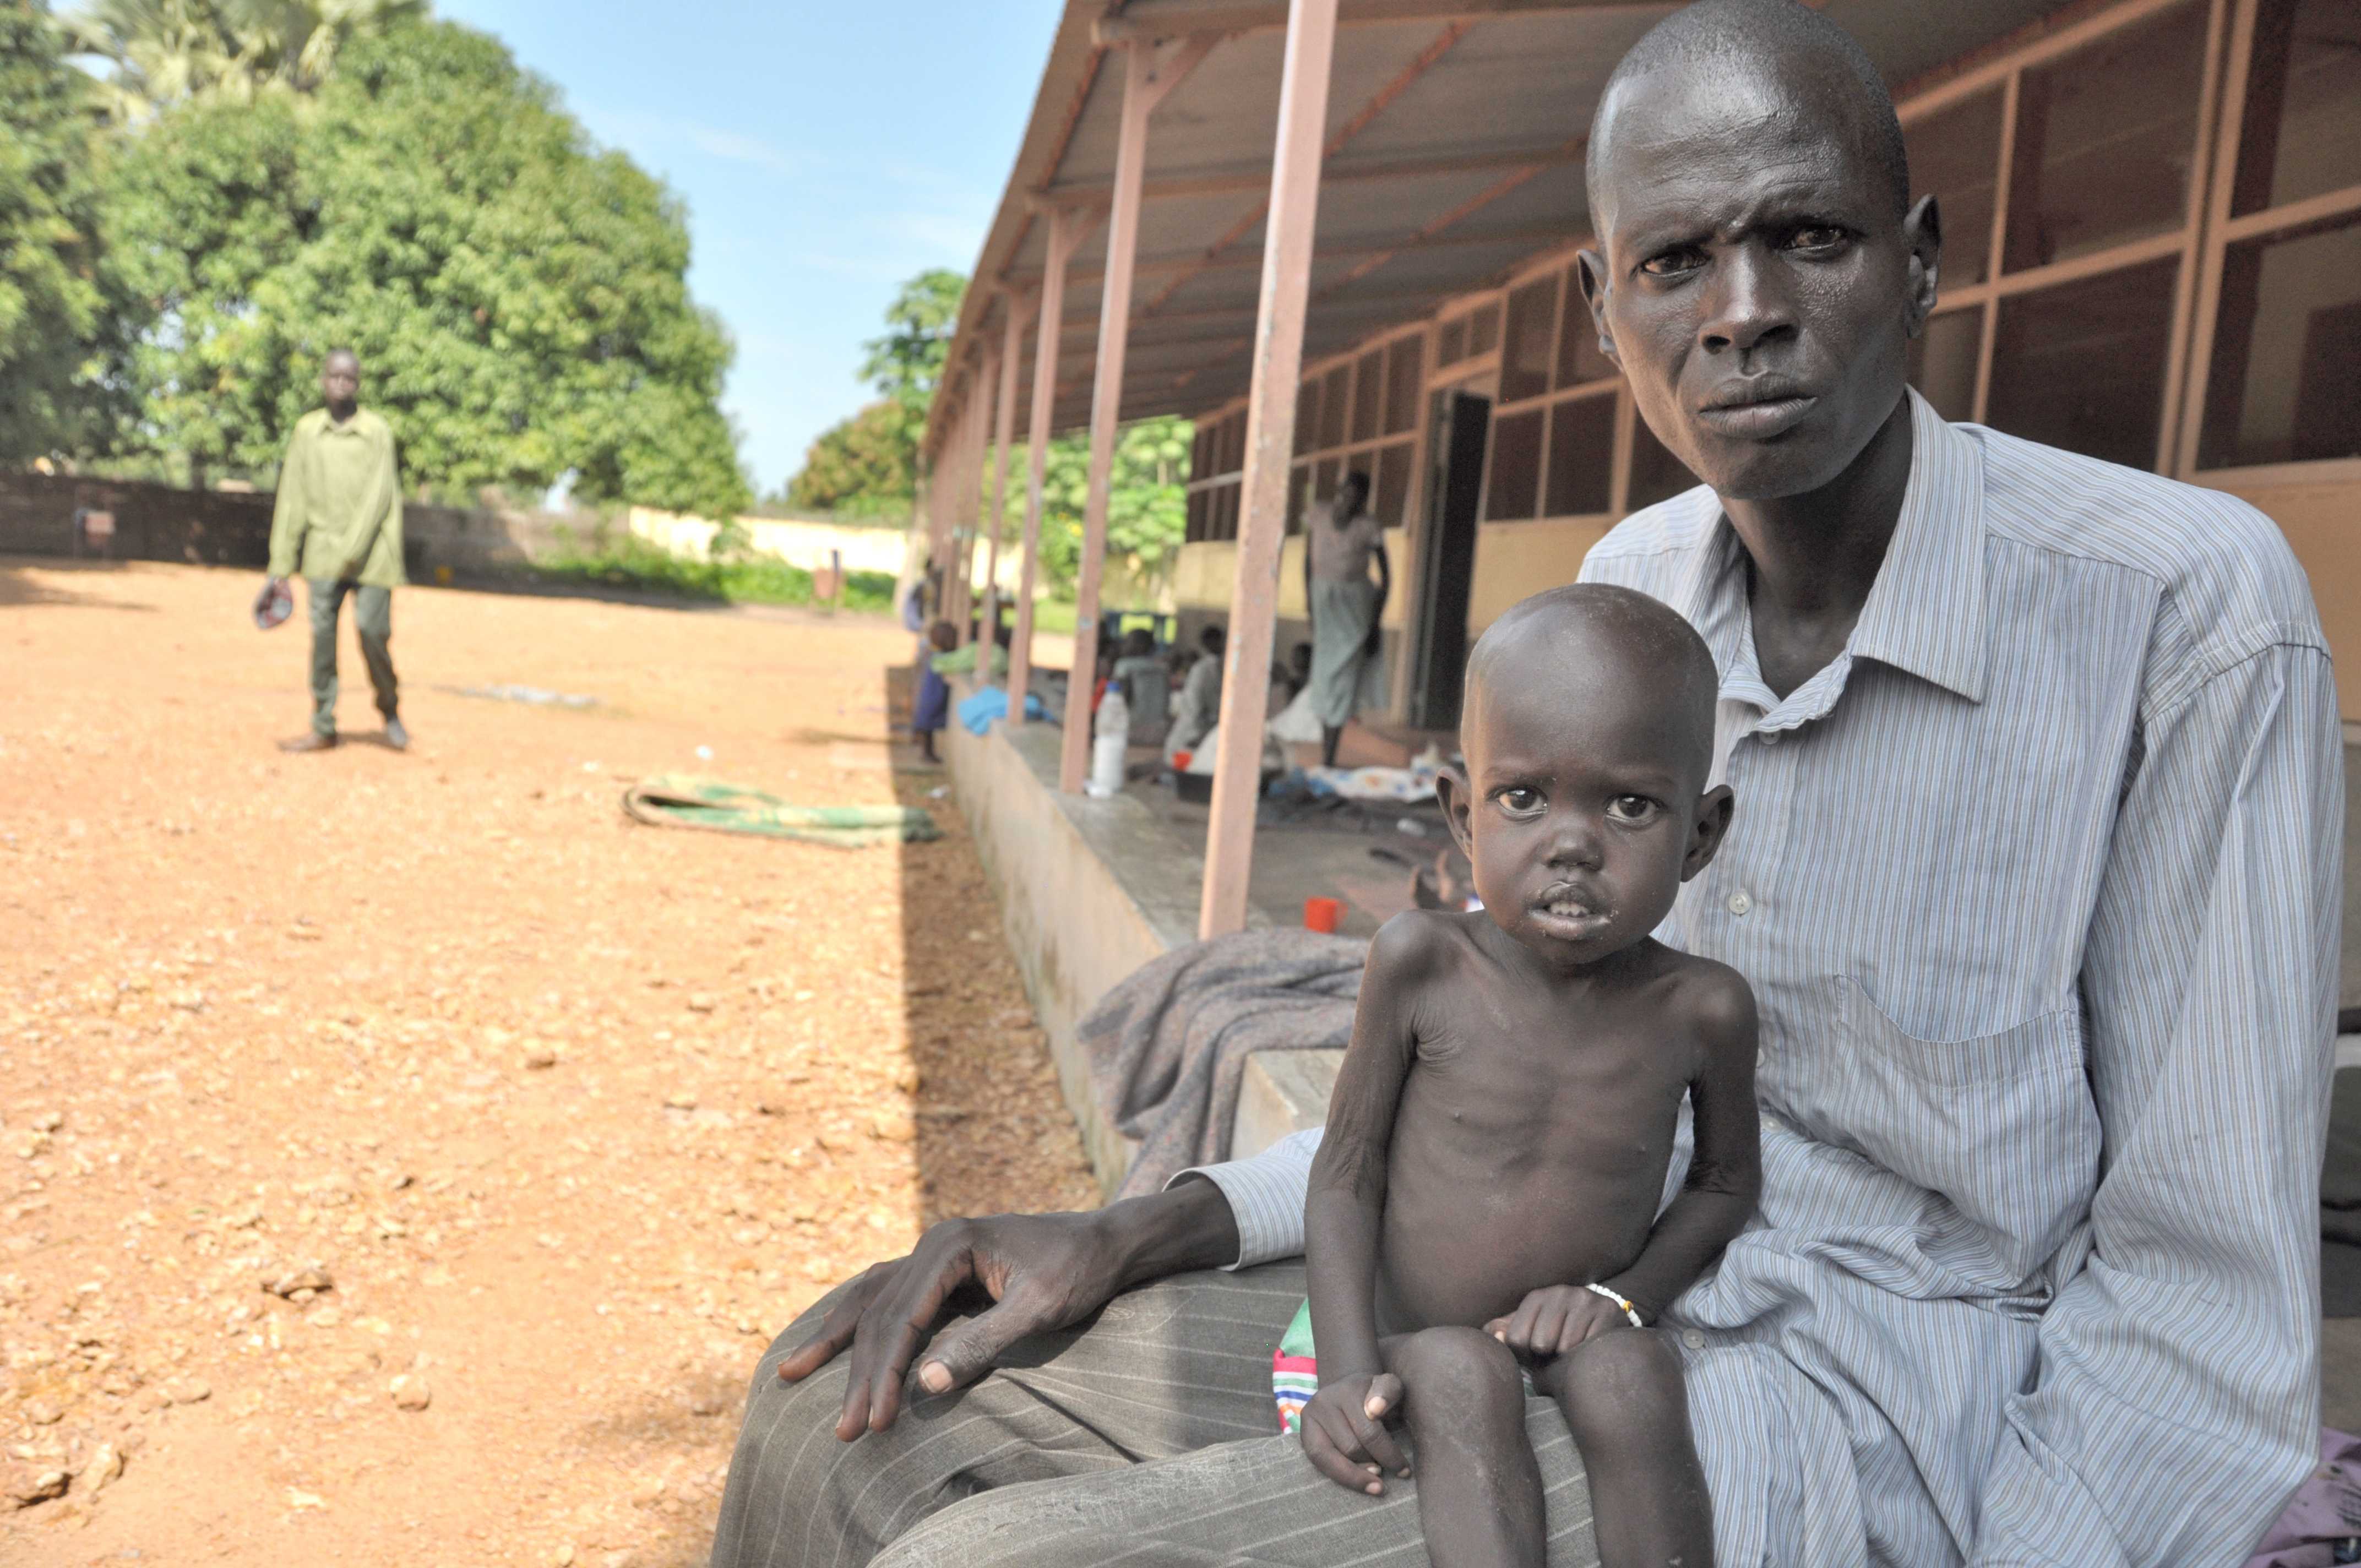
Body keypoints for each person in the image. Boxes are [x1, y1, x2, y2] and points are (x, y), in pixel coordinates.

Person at [711, 2, 2341, 1564]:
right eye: (1674, 260)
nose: (1744, 309)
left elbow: (2201, 1307)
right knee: (849, 1417)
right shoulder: (1635, 590)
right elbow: (1499, 1086)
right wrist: (1135, 1227)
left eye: (1811, 239)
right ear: (1598, 306)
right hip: (1524, 1306)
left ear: (1919, 257)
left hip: (1849, 1422)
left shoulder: (2176, 610)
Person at [1299, 585, 1758, 1568]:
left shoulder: (1703, 1008)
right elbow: (1345, 1171)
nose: (1570, 843)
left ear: (1701, 834)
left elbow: (1725, 1182)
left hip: (1577, 1325)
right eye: (1522, 797)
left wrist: (1620, 1297)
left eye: (1630, 804)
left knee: (1635, 1372)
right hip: (1412, 1334)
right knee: (1462, 1372)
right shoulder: (1418, 960)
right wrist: (1345, 1370)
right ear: (1463, 814)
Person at [265, 349, 407, 753]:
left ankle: (390, 709)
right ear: (323, 380)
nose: (341, 385)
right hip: (323, 555)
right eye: (334, 377)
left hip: (373, 556)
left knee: (372, 632)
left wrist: (351, 547)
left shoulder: (377, 431)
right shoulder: (307, 431)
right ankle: (323, 724)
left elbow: (381, 495)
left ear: (358, 384)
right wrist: (281, 563)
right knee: (323, 639)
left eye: (349, 379)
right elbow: (292, 497)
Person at [1304, 471, 1390, 767]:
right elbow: (1308, 562)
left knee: (1343, 682)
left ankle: (1329, 756)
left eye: (1356, 497)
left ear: (1363, 500)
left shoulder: (1368, 527)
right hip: (1325, 607)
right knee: (1325, 679)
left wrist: (1375, 624)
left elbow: (1386, 576)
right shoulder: (1318, 514)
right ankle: (1326, 749)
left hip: (1355, 610)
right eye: (1345, 493)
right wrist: (1310, 607)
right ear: (1338, 491)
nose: (1348, 502)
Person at [1163, 623, 1226, 767]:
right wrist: (1197, 737)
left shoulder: (1225, 671)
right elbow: (1193, 710)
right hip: (1191, 740)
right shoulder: (1202, 671)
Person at [1112, 628, 1172, 748]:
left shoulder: (1124, 665)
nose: (1123, 646)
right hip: (1161, 731)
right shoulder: (1162, 668)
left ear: (1139, 646)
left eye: (1127, 642)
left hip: (1132, 729)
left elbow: (1120, 699)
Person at [910, 621, 956, 765]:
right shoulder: (939, 657)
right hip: (933, 695)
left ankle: (923, 746)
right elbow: (948, 676)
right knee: (927, 724)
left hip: (927, 693)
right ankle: (927, 753)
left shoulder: (930, 651)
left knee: (925, 723)